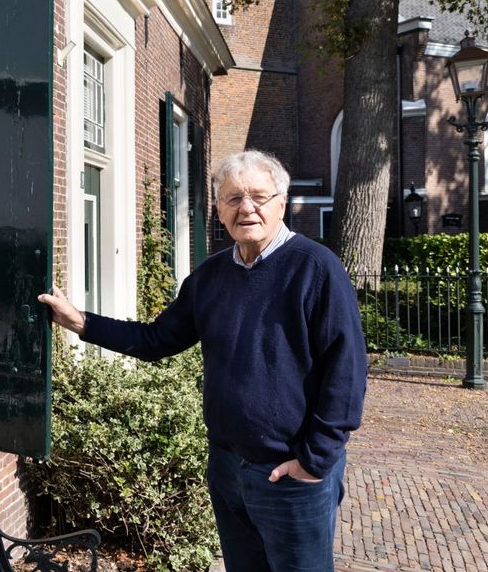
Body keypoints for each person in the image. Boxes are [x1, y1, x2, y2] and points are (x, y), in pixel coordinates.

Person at [38, 151, 367, 572]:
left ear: (282, 203)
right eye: (233, 199)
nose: (247, 207)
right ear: (218, 210)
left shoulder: (317, 269)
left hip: (290, 477)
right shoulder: (210, 277)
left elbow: (347, 372)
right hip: (228, 469)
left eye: (259, 197)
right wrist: (80, 322)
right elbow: (155, 339)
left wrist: (314, 461)